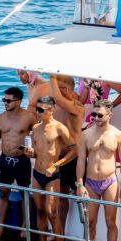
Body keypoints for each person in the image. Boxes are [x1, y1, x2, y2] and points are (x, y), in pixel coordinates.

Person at [74, 99, 121, 241]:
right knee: (89, 222)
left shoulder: (118, 135)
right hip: (90, 182)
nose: (96, 118)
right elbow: (81, 160)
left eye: (100, 115)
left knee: (110, 221)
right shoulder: (86, 134)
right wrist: (79, 184)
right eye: (94, 114)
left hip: (110, 181)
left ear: (109, 115)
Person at [25, 95, 72, 241]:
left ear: (51, 110)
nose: (36, 112)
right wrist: (30, 153)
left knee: (53, 213)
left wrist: (56, 165)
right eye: (36, 109)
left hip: (53, 176)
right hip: (37, 173)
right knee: (40, 212)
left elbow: (74, 151)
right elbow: (37, 152)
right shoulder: (35, 128)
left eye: (40, 110)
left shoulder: (60, 128)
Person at [0, 87, 36, 240]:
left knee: (24, 193)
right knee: (3, 192)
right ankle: (1, 226)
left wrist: (33, 150)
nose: (5, 103)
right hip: (5, 161)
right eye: (4, 100)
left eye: (8, 101)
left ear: (19, 101)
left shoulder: (29, 117)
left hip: (22, 161)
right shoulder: (0, 118)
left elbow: (38, 137)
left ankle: (25, 225)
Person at [48, 75, 84, 232]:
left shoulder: (77, 106)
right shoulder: (56, 108)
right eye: (59, 88)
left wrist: (52, 76)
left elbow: (56, 96)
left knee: (81, 197)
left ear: (70, 89)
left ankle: (86, 234)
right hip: (60, 157)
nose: (59, 92)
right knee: (62, 197)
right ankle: (60, 231)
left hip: (75, 157)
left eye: (63, 89)